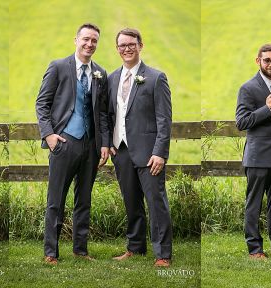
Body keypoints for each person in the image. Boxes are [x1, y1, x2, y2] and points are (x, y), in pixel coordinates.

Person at [36, 23, 109, 265]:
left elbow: (101, 114)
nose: (90, 44)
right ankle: (50, 252)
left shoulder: (100, 73)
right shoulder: (58, 67)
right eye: (86, 39)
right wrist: (49, 136)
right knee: (56, 200)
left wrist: (104, 144)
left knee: (84, 200)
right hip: (64, 142)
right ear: (76, 40)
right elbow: (42, 104)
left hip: (90, 145)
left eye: (94, 41)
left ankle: (80, 249)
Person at [105, 28, 173, 267]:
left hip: (149, 153)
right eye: (122, 45)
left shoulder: (156, 78)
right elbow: (107, 115)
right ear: (117, 49)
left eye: (131, 44)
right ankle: (135, 247)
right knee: (131, 201)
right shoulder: (111, 78)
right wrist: (108, 143)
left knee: (156, 202)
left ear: (140, 45)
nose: (126, 49)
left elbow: (164, 119)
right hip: (121, 151)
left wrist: (160, 152)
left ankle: (163, 254)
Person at [235, 43, 271, 259]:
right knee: (254, 203)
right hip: (258, 156)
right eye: (267, 60)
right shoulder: (248, 88)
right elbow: (242, 122)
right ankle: (255, 248)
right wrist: (267, 109)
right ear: (258, 61)